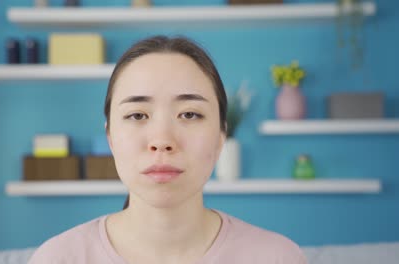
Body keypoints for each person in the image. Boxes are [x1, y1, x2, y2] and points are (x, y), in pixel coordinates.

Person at [28, 35, 307, 264]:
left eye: (189, 114)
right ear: (110, 137)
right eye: (138, 115)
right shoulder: (57, 258)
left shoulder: (278, 257)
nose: (162, 140)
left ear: (222, 135)